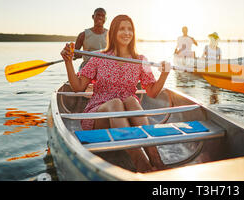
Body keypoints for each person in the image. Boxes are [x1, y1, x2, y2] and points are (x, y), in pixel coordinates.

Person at [61, 14, 170, 172]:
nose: (127, 33)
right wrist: (68, 62)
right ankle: (143, 166)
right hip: (99, 116)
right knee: (116, 103)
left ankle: (156, 159)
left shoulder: (140, 59)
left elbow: (152, 92)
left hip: (129, 113)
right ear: (113, 33)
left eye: (130, 29)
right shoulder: (99, 57)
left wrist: (164, 75)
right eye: (122, 29)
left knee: (132, 101)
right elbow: (78, 87)